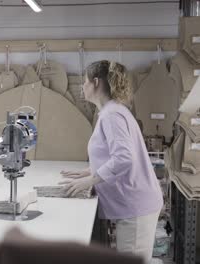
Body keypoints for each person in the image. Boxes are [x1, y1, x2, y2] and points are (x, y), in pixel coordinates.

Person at [59, 60, 163, 263]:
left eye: (85, 81)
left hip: (136, 207)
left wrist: (91, 181)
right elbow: (114, 154)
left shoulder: (111, 115)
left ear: (96, 82)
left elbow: (124, 158)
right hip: (135, 205)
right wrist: (91, 170)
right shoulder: (111, 111)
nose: (82, 86)